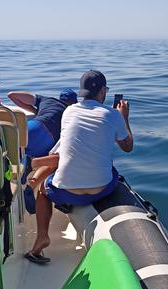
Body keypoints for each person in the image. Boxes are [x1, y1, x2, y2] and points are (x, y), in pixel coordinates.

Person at [25, 70, 133, 264]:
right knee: (111, 170)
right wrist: (123, 117)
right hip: (101, 190)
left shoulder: (68, 111)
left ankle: (42, 236)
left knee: (43, 190)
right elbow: (127, 147)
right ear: (102, 92)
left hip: (65, 191)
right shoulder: (112, 115)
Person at [7, 89, 78, 158]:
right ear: (75, 102)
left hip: (32, 126)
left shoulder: (47, 100)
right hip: (48, 139)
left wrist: (35, 111)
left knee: (6, 152)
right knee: (27, 160)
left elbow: (12, 95)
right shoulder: (72, 111)